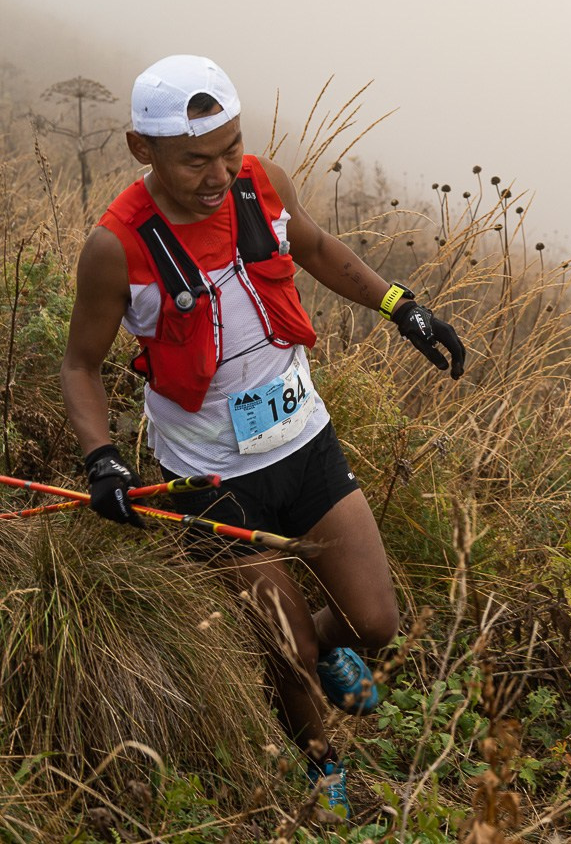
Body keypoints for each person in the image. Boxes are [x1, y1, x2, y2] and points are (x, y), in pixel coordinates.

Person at [60, 55, 465, 819]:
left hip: (304, 442)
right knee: (284, 641)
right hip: (211, 479)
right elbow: (80, 365)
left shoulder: (259, 182)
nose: (218, 174)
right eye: (195, 160)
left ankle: (314, 659)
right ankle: (322, 770)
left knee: (373, 622)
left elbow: (312, 249)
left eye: (229, 147)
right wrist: (102, 460)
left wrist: (401, 305)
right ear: (141, 149)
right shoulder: (117, 246)